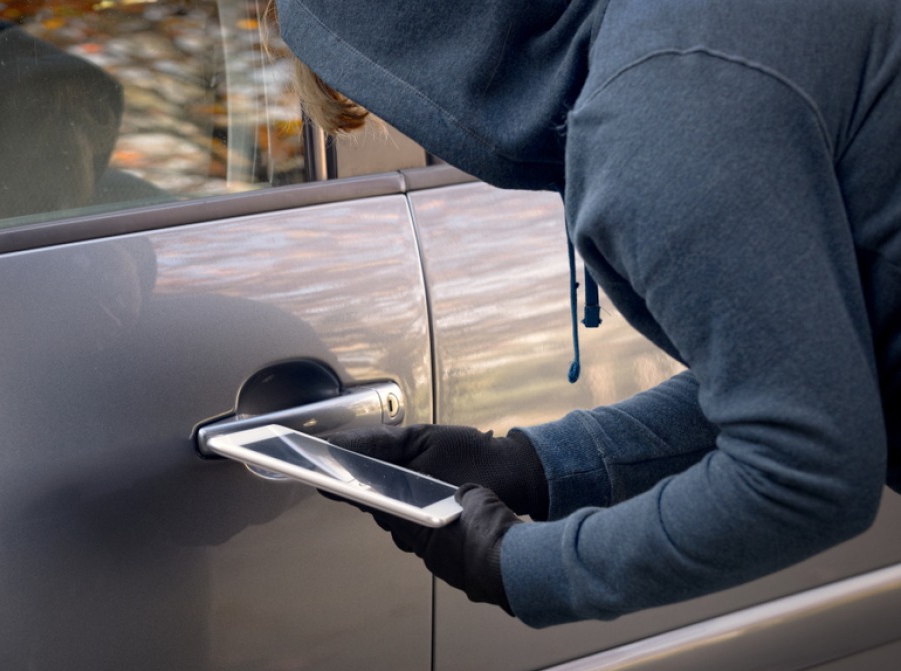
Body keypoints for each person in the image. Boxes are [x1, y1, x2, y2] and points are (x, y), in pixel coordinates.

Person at [271, 0, 901, 628]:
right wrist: (531, 466)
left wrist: (520, 566)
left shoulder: (661, 114)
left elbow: (806, 468)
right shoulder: (680, 41)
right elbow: (807, 375)